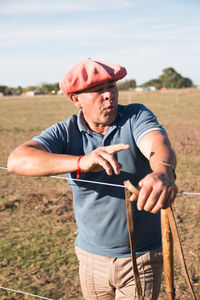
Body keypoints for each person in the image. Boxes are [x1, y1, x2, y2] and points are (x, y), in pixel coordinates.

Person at [7, 58, 178, 300]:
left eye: (112, 87)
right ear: (76, 100)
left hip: (141, 259)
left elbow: (157, 144)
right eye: (99, 90)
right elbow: (17, 160)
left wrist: (162, 171)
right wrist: (81, 162)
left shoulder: (136, 115)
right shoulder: (65, 132)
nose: (109, 95)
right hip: (90, 259)